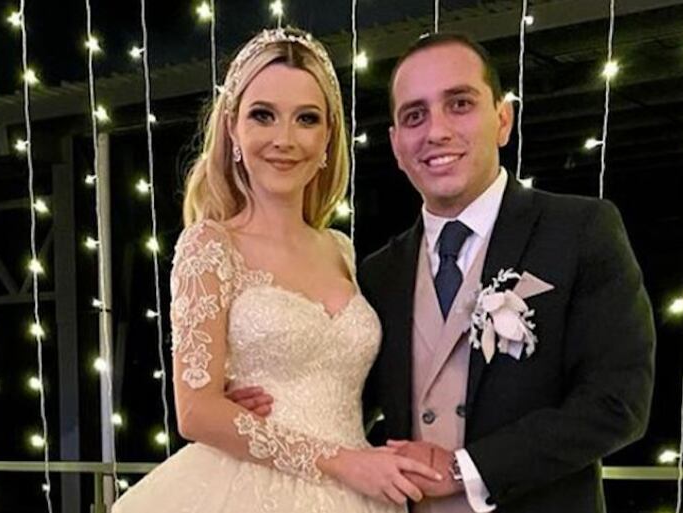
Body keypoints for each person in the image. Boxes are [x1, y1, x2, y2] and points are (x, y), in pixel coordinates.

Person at [235, 33, 655, 513]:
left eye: (459, 104)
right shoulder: (378, 271)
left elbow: (618, 404)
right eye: (414, 116)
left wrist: (465, 469)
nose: (435, 131)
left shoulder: (580, 230)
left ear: (502, 119)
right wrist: (263, 400)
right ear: (396, 145)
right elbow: (343, 399)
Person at [112, 28, 443, 513]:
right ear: (233, 128)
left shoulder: (340, 249)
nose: (284, 140)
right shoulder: (209, 244)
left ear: (328, 136)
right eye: (262, 115)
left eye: (306, 119)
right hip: (252, 489)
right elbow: (195, 412)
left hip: (360, 491)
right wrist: (340, 462)